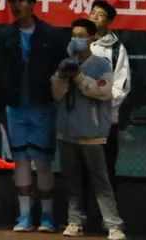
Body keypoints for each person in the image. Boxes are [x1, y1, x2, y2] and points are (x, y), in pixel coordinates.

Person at [0, 0, 68, 232]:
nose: (16, 6)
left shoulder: (51, 35)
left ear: (32, 4)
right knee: (21, 162)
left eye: (21, 1)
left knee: (43, 163)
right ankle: (24, 216)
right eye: (12, 2)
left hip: (43, 107)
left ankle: (47, 216)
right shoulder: (5, 35)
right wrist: (1, 104)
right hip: (15, 107)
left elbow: (61, 69)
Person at [52, 19, 126, 240]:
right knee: (72, 180)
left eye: (81, 35)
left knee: (101, 181)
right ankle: (75, 221)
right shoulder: (65, 63)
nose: (77, 39)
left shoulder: (102, 65)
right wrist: (62, 76)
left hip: (92, 134)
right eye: (74, 35)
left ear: (92, 38)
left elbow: (103, 92)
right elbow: (56, 94)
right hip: (66, 131)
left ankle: (114, 225)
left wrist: (79, 76)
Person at [88, 0, 131, 188]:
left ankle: (106, 204)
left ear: (109, 21)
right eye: (93, 12)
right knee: (81, 167)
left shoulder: (116, 48)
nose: (95, 17)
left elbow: (123, 83)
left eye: (101, 15)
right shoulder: (79, 42)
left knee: (105, 167)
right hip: (79, 116)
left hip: (105, 117)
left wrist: (103, 103)